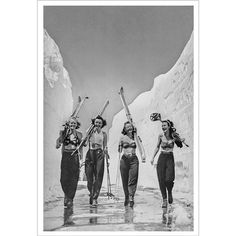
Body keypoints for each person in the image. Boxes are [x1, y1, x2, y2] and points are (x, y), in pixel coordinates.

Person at [150, 120, 183, 208]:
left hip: (170, 158)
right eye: (162, 126)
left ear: (168, 126)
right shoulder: (160, 135)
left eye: (164, 125)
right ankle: (164, 199)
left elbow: (180, 145)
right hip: (162, 157)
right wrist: (153, 157)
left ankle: (170, 191)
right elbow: (157, 147)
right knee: (161, 179)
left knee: (169, 179)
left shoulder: (173, 135)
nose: (163, 127)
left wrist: (178, 139)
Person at [56, 117, 83, 208]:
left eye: (74, 123)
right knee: (64, 178)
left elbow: (81, 146)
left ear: (76, 124)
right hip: (66, 156)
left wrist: (81, 158)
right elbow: (58, 142)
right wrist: (58, 143)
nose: (72, 125)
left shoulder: (79, 134)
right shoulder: (63, 133)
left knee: (74, 178)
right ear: (68, 124)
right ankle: (66, 195)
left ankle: (70, 198)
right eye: (71, 123)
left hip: (74, 156)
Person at [85, 115, 108, 207]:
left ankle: (95, 198)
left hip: (99, 154)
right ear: (94, 123)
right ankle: (91, 192)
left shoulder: (104, 134)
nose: (98, 124)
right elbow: (85, 142)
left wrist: (106, 152)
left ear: (102, 124)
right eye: (96, 122)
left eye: (100, 123)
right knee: (89, 176)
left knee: (98, 175)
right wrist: (88, 132)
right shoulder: (90, 132)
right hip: (90, 153)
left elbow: (105, 146)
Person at [118, 121, 139, 208]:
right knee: (125, 180)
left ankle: (131, 197)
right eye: (127, 127)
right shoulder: (122, 137)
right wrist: (119, 146)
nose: (129, 129)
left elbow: (140, 145)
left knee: (133, 179)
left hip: (134, 159)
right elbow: (119, 150)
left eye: (130, 127)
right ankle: (126, 196)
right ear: (125, 129)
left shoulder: (135, 137)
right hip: (124, 160)